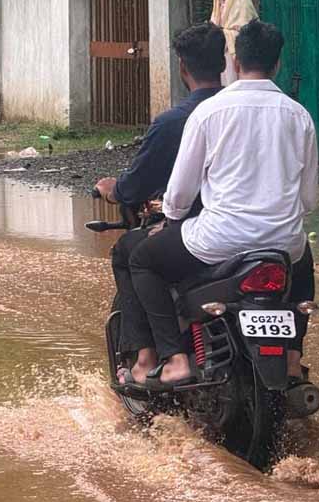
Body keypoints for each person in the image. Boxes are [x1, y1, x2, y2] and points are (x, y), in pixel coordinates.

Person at [127, 20, 318, 390]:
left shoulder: (210, 112)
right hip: (282, 246)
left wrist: (171, 221)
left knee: (142, 260)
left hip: (216, 241)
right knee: (304, 260)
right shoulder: (300, 116)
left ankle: (174, 359)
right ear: (278, 63)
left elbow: (179, 195)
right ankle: (293, 357)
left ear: (233, 61)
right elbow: (308, 198)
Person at [96, 23, 226, 387]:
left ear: (182, 67)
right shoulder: (249, 112)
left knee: (130, 252)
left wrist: (115, 190)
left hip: (199, 232)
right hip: (265, 237)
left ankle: (150, 355)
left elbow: (150, 188)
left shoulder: (179, 121)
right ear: (224, 63)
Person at [209, 0, 258, 86]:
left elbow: (246, 32)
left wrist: (223, 33)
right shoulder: (219, 2)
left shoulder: (243, 5)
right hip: (219, 51)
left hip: (235, 53)